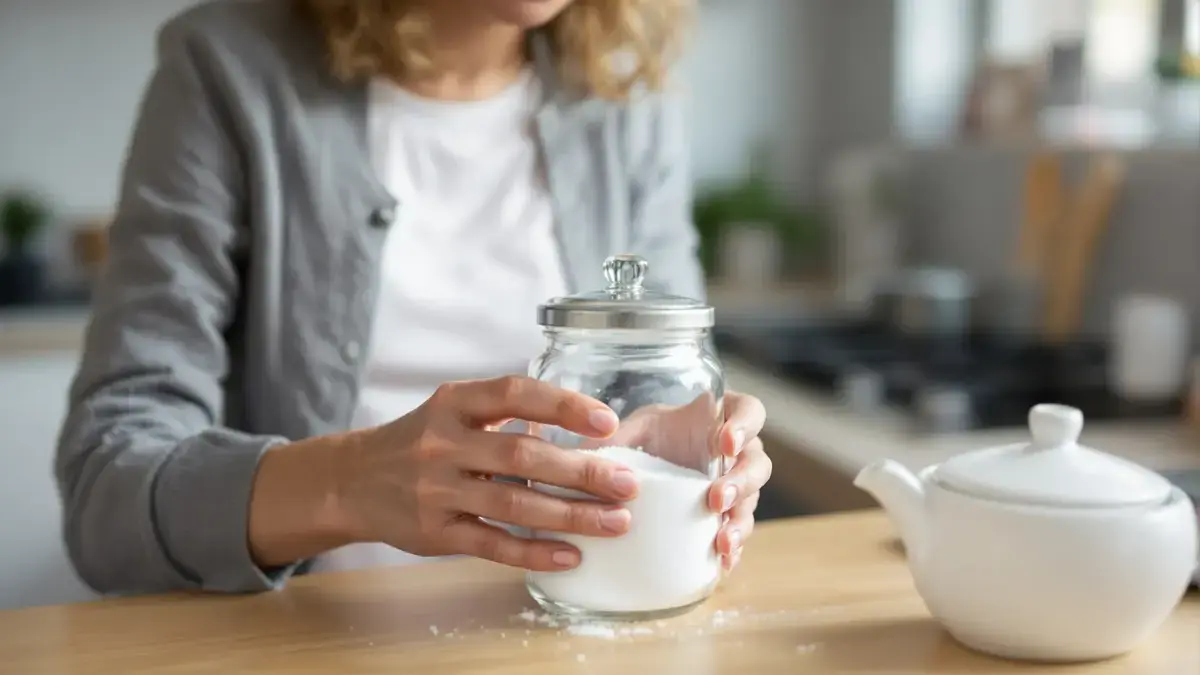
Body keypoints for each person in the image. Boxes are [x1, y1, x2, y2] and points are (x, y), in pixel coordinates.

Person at [55, 0, 772, 596]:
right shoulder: (225, 71)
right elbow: (105, 490)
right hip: (304, 647)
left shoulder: (624, 96)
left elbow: (668, 395)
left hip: (575, 636)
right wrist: (349, 482)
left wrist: (701, 446)